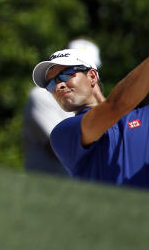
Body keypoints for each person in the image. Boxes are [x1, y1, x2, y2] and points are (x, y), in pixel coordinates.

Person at [33, 8, 149, 196]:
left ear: (92, 76)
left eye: (65, 75)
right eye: (50, 84)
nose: (58, 86)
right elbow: (117, 106)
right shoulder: (64, 133)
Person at [23, 38, 100, 175]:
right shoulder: (41, 95)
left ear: (92, 76)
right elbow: (63, 150)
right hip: (45, 190)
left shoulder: (103, 107)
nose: (59, 84)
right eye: (51, 80)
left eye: (68, 74)